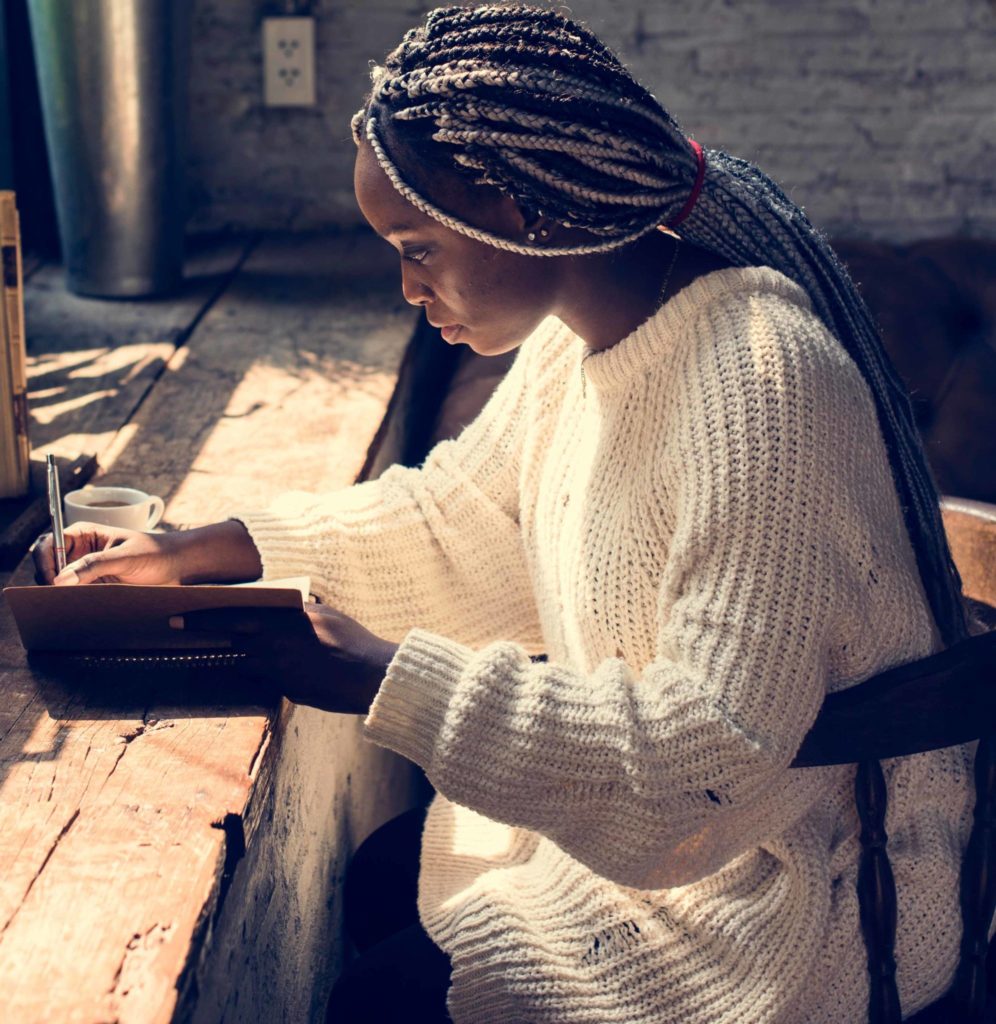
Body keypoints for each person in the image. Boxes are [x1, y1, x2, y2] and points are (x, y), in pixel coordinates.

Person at [34, 5, 974, 1022]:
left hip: (802, 906)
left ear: (521, 214)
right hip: (687, 855)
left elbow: (708, 760)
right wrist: (210, 550)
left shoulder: (757, 378)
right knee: (389, 877)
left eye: (418, 247)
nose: (404, 285)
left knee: (368, 1000)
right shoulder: (584, 338)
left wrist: (381, 675)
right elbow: (464, 525)